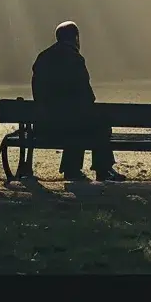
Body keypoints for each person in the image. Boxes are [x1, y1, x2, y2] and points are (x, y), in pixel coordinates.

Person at [32, 21, 127, 182]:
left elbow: (37, 91)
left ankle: (72, 169)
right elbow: (87, 97)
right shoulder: (75, 59)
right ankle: (102, 169)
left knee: (76, 121)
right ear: (76, 38)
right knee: (98, 123)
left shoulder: (43, 57)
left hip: (44, 125)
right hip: (69, 123)